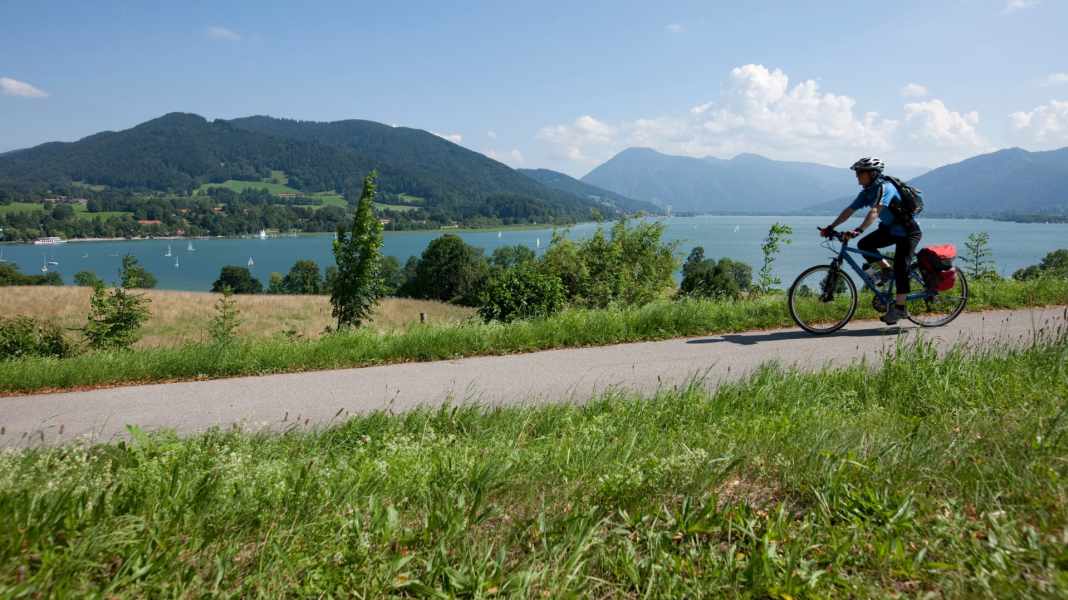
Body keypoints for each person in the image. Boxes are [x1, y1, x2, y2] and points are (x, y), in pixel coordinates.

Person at [819, 157, 922, 325]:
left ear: (872, 174)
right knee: (864, 245)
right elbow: (849, 210)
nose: (857, 176)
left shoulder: (885, 188)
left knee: (901, 266)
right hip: (890, 229)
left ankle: (900, 308)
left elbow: (875, 211)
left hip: (908, 232)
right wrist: (831, 226)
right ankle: (887, 271)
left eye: (860, 173)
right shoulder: (867, 192)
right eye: (857, 173)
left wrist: (859, 229)